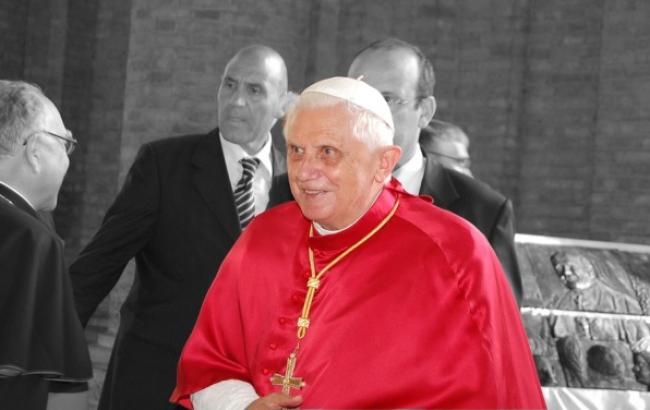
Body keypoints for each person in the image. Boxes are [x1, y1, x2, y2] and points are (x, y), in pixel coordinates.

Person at [171, 77, 545, 409]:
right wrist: (244, 406)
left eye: (327, 152)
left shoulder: (454, 253)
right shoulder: (263, 236)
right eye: (297, 150)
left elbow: (503, 394)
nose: (304, 172)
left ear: (383, 163)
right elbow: (209, 364)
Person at [69, 45, 293, 410]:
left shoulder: (296, 186)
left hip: (246, 393)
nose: (236, 101)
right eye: (229, 84)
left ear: (282, 104)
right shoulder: (163, 165)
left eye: (255, 90)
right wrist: (43, 350)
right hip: (153, 383)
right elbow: (98, 266)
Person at [346, 38, 523, 304]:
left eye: (387, 99)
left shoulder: (483, 212)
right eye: (357, 99)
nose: (368, 113)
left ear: (425, 112)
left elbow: (498, 324)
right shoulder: (301, 192)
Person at [0, 80, 92, 409]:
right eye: (65, 144)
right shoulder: (29, 238)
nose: (68, 160)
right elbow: (48, 383)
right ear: (35, 151)